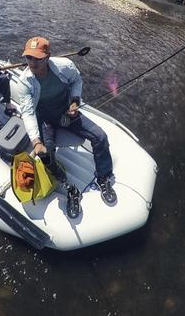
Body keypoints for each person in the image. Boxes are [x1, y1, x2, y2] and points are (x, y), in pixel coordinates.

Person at [16, 36, 117, 219]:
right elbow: (28, 112)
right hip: (45, 119)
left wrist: (74, 101)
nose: (32, 63)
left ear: (47, 57)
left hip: (66, 112)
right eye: (28, 58)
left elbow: (76, 81)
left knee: (100, 136)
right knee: (46, 154)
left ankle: (104, 177)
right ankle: (68, 186)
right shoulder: (24, 81)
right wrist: (36, 141)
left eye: (37, 58)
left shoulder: (65, 66)